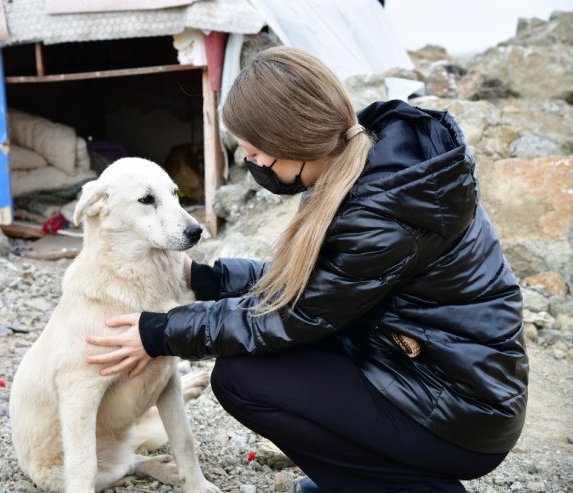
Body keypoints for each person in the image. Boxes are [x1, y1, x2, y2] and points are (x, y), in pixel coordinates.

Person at [85, 47, 528, 493]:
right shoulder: (367, 165)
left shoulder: (383, 217)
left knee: (243, 380)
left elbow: (295, 314)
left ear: (293, 140)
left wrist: (161, 332)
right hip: (427, 373)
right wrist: (207, 279)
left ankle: (403, 487)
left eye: (256, 151)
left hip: (460, 413)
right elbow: (320, 287)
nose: (248, 160)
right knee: (264, 362)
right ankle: (362, 480)